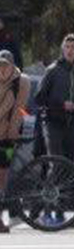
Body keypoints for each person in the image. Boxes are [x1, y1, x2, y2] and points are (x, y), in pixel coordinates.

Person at [33, 34, 74, 162]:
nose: (70, 50)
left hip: (71, 124)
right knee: (57, 164)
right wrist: (62, 104)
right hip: (52, 123)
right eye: (67, 47)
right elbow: (39, 98)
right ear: (62, 50)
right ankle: (52, 182)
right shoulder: (52, 70)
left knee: (69, 166)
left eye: (73, 47)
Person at [0, 51, 26, 232]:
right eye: (0, 65)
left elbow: (19, 109)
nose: (3, 68)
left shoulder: (21, 82)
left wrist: (11, 133)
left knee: (2, 178)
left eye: (6, 65)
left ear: (12, 66)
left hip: (8, 136)